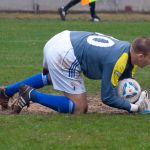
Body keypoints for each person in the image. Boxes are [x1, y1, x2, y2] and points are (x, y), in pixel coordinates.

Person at [0, 30, 150, 114]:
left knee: (52, 77)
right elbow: (107, 97)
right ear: (141, 56)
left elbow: (125, 82)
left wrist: (135, 97)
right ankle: (31, 95)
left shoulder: (127, 50)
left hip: (61, 38)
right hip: (64, 53)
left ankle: (6, 92)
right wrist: (134, 107)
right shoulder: (118, 62)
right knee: (80, 107)